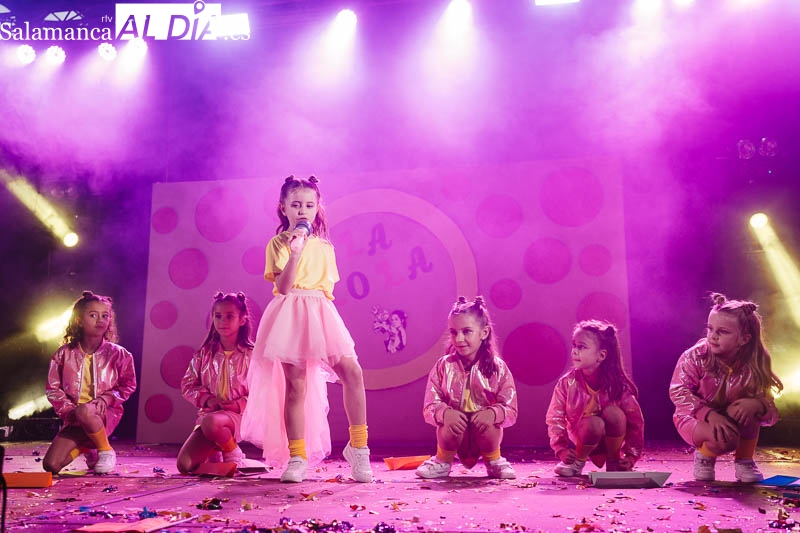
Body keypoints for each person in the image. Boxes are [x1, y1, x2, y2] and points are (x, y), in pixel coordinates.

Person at [241, 175, 372, 483]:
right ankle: (297, 456)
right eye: (296, 204)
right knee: (296, 385)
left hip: (319, 311)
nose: (303, 211)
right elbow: (284, 287)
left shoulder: (325, 247)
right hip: (289, 312)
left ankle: (359, 447)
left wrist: (321, 320)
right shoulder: (277, 244)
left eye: (310, 205)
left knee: (352, 372)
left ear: (317, 208)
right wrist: (295, 252)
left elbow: (326, 292)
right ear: (283, 207)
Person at [669, 293, 782, 483]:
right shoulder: (695, 356)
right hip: (693, 417)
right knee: (726, 438)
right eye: (710, 328)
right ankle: (704, 456)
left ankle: (745, 460)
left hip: (729, 415)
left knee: (749, 409)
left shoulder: (756, 362)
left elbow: (770, 412)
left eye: (722, 331)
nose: (713, 336)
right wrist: (708, 414)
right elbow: (679, 391)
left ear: (744, 339)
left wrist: (759, 405)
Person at [415, 296, 518, 480]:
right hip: (455, 433)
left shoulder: (498, 368)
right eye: (453, 332)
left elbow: (511, 410)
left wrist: (493, 413)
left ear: (484, 333)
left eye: (467, 331)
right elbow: (429, 406)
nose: (459, 339)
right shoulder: (443, 366)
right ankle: (442, 461)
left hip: (484, 433)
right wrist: (444, 413)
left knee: (490, 423)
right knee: (448, 421)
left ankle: (494, 461)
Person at [43, 291, 137, 475]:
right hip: (75, 416)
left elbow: (128, 385)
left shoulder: (120, 354)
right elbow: (53, 389)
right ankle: (88, 447)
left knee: (85, 411)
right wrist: (69, 412)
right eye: (93, 315)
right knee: (51, 465)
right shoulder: (63, 354)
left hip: (104, 413)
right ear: (79, 320)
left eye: (105, 316)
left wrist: (107, 398)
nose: (100, 320)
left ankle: (105, 450)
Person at [546, 319, 644, 477]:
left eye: (581, 347)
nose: (574, 351)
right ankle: (578, 462)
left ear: (601, 355)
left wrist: (631, 456)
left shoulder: (618, 385)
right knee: (594, 423)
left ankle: (614, 461)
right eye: (574, 345)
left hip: (612, 437)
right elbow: (555, 418)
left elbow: (636, 422)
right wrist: (561, 449)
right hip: (585, 434)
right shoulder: (567, 383)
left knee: (614, 413)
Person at [177, 292, 254, 474]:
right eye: (218, 316)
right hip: (209, 417)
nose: (222, 321)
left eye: (229, 316)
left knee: (212, 422)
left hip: (240, 416)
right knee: (185, 465)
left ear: (242, 320)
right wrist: (207, 399)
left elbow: (263, 392)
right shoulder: (204, 354)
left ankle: (234, 455)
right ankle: (219, 452)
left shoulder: (252, 355)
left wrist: (238, 404)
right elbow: (188, 385)